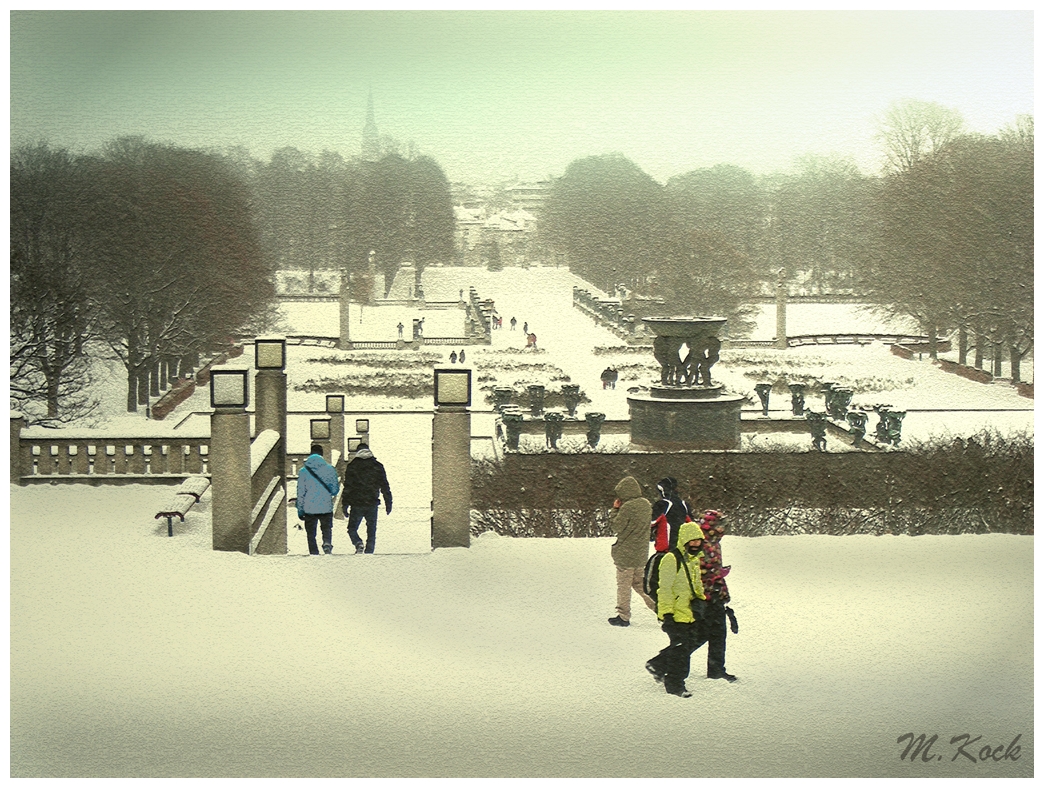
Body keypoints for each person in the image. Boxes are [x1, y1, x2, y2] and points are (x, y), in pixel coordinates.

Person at [645, 520, 710, 697]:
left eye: (699, 541)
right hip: (674, 613)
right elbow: (664, 589)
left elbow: (696, 585)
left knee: (686, 644)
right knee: (681, 649)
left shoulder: (693, 560)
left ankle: (658, 665)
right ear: (685, 540)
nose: (696, 544)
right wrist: (666, 615)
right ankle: (675, 684)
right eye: (692, 541)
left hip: (689, 612)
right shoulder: (671, 559)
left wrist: (701, 602)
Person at [607, 476, 655, 627]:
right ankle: (661, 609)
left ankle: (623, 616)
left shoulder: (627, 507)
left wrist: (615, 510)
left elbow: (617, 527)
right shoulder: (646, 505)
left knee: (624, 586)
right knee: (640, 584)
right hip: (641, 553)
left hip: (626, 554)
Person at [699, 510, 738, 682]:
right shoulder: (705, 544)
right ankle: (664, 663)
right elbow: (701, 570)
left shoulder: (713, 542)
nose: (724, 530)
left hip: (714, 593)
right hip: (708, 596)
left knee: (716, 634)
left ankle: (716, 670)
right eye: (721, 526)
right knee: (704, 635)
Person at [341, 442, 393, 554]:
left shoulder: (352, 466)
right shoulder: (377, 466)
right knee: (371, 530)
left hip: (357, 503)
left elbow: (348, 487)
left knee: (352, 529)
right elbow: (384, 485)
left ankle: (358, 543)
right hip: (372, 503)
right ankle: (369, 552)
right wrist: (388, 502)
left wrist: (345, 504)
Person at [296, 444, 341, 555]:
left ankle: (314, 552)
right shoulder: (330, 469)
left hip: (309, 507)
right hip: (326, 506)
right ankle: (326, 543)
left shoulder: (303, 471)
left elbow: (301, 492)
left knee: (311, 533)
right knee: (326, 528)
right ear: (322, 455)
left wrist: (300, 510)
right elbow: (335, 490)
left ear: (310, 454)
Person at [650, 477, 692, 552]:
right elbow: (691, 524)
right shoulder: (684, 504)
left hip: (666, 547)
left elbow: (652, 522)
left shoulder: (663, 504)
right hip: (683, 547)